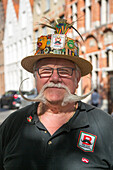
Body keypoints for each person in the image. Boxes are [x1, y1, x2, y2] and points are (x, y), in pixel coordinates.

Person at [0, 19, 113, 170]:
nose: (54, 78)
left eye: (64, 71)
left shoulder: (105, 125)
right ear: (35, 77)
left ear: (77, 79)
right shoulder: (13, 124)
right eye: (46, 70)